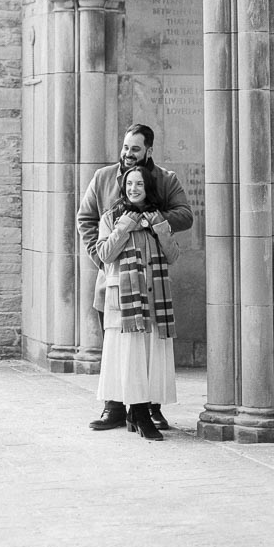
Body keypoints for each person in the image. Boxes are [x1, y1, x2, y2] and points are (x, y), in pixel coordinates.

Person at [77, 122, 193, 431]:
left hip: (151, 276)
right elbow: (85, 218)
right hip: (113, 276)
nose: (128, 154)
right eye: (126, 147)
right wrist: (100, 256)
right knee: (116, 345)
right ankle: (114, 407)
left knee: (149, 346)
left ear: (149, 151)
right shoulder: (102, 178)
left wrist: (148, 218)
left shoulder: (166, 179)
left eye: (135, 149)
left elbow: (184, 215)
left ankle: (149, 407)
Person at [93, 164, 181, 440]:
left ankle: (139, 413)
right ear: (123, 186)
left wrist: (160, 229)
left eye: (139, 184)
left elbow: (173, 255)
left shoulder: (157, 218)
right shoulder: (111, 217)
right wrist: (125, 227)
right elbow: (104, 255)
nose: (134, 189)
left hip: (154, 299)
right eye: (129, 184)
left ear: (148, 187)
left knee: (147, 356)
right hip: (125, 303)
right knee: (130, 357)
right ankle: (140, 414)